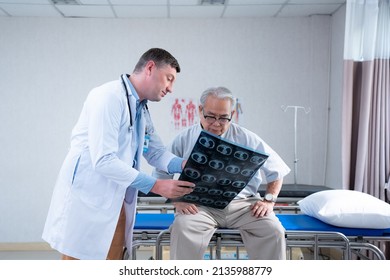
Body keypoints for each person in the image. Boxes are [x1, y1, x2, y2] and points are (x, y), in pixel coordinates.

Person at [42, 48, 194, 260]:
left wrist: (185, 164)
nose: (170, 88)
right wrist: (157, 186)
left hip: (117, 197)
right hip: (89, 196)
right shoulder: (108, 97)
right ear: (150, 67)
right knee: (80, 261)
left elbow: (155, 151)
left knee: (112, 258)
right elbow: (103, 160)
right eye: (169, 79)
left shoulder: (140, 107)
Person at [153, 86, 291, 260]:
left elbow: (277, 170)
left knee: (274, 231)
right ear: (200, 110)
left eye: (223, 118)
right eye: (210, 116)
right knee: (183, 228)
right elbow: (160, 173)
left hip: (244, 206)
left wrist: (269, 201)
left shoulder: (247, 138)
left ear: (231, 114)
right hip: (200, 207)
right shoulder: (184, 138)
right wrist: (177, 201)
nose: (216, 123)